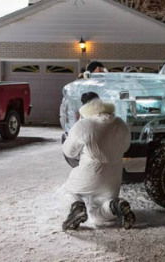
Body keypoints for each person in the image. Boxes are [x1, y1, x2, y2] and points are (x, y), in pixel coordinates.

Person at [61, 92, 134, 230]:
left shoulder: (84, 124)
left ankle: (77, 208)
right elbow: (126, 147)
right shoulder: (120, 123)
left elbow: (69, 151)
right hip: (114, 176)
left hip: (90, 173)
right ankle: (115, 206)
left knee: (69, 192)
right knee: (98, 213)